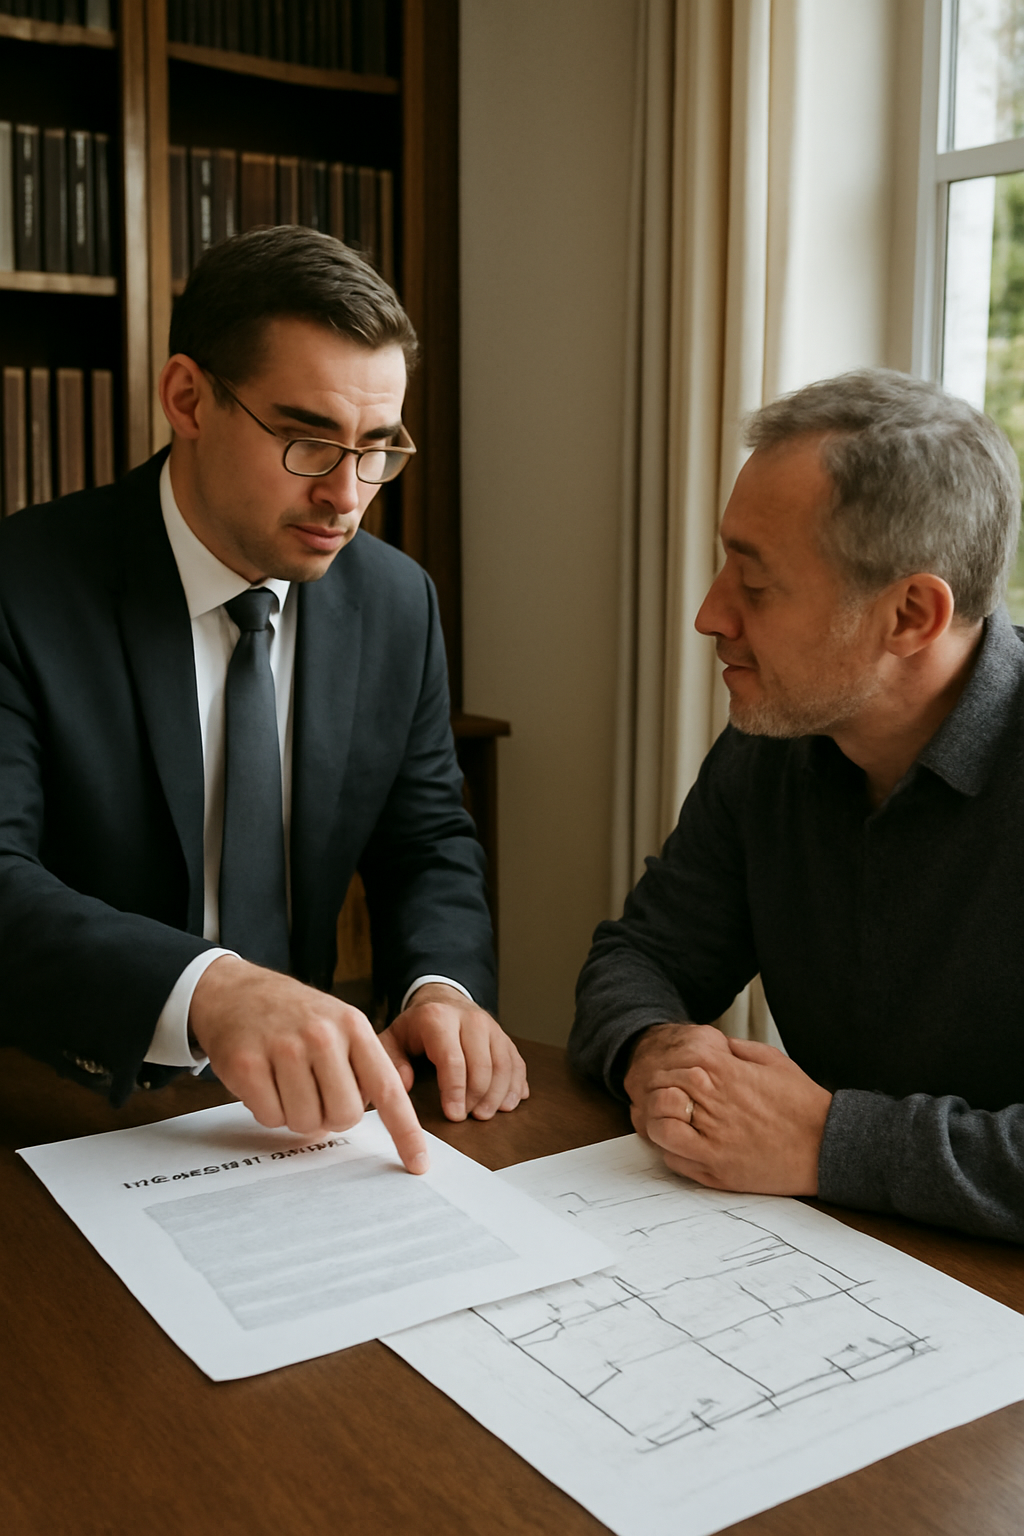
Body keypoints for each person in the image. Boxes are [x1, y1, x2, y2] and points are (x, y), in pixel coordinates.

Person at [0, 227, 527, 1173]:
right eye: (308, 441)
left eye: (376, 448)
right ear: (188, 398)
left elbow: (428, 842)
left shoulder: (396, 602)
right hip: (63, 1105)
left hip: (307, 1123)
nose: (347, 494)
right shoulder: (21, 585)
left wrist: (439, 989)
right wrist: (207, 989)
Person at [570, 368, 1024, 1243]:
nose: (709, 614)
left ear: (911, 615)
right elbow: (643, 954)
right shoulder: (774, 743)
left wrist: (828, 1142)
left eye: (757, 582)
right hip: (827, 1260)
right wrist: (651, 1048)